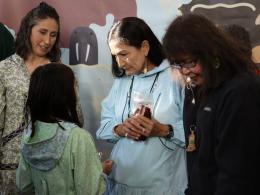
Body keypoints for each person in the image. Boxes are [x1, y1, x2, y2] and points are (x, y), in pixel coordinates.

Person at [163, 13, 260, 195]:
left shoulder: (240, 91)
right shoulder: (197, 87)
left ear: (211, 51)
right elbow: (198, 158)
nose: (185, 71)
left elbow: (237, 173)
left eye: (190, 62)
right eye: (178, 64)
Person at [96, 17, 187, 194]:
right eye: (115, 56)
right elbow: (103, 128)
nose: (119, 63)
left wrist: (163, 129)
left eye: (124, 54)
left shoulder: (176, 78)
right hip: (119, 183)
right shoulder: (121, 82)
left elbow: (197, 134)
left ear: (145, 47)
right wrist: (119, 129)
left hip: (163, 187)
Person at [16, 63, 106, 195]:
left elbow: (24, 185)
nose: (77, 90)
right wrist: (99, 172)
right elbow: (91, 190)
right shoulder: (78, 137)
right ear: (64, 94)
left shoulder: (30, 134)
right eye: (75, 85)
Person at [0, 2, 61, 194]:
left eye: (53, 34)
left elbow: (73, 121)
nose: (47, 40)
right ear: (28, 29)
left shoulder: (60, 73)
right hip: (10, 166)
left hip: (49, 166)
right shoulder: (5, 68)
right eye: (42, 32)